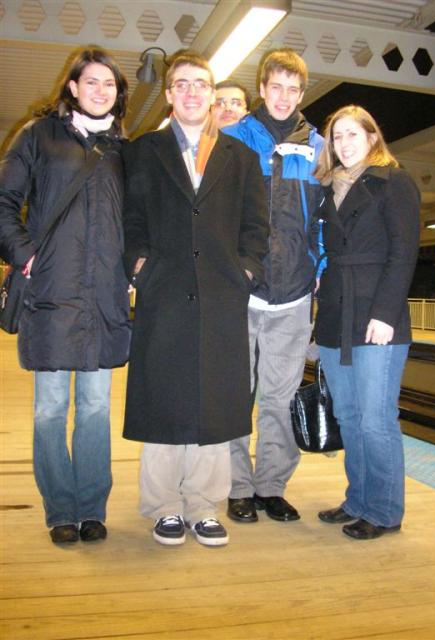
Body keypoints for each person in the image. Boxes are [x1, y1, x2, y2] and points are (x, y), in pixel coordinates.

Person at [122, 51, 269, 547]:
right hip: (164, 290)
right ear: (168, 94)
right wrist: (139, 263)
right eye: (181, 84)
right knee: (163, 393)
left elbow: (256, 225)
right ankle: (164, 505)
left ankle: (204, 505)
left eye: (200, 85)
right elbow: (130, 218)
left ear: (212, 95)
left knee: (215, 396)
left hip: (221, 293)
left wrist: (246, 270)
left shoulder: (241, 158)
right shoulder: (142, 152)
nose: (191, 93)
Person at [0, 47, 131, 544]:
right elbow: (4, 200)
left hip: (103, 297)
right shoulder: (38, 136)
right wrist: (25, 253)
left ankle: (92, 507)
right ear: (72, 87)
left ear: (118, 95)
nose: (101, 90)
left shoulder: (124, 149)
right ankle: (60, 509)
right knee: (50, 409)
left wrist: (135, 262)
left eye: (110, 85)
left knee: (96, 408)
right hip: (51, 292)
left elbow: (138, 219)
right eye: (91, 82)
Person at [223, 48, 325, 524]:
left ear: (302, 94)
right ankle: (236, 486)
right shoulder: (232, 140)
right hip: (241, 291)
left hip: (295, 294)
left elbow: (327, 220)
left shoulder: (319, 147)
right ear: (261, 89)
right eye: (275, 87)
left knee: (279, 397)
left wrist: (320, 267)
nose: (283, 98)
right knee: (234, 392)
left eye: (293, 89)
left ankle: (270, 486)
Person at [314, 105, 420, 540]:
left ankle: (384, 511)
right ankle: (358, 499)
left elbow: (403, 251)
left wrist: (385, 314)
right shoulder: (328, 188)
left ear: (373, 138)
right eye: (337, 137)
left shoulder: (394, 182)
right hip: (337, 314)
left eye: (353, 135)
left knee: (377, 419)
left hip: (378, 315)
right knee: (351, 415)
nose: (344, 144)